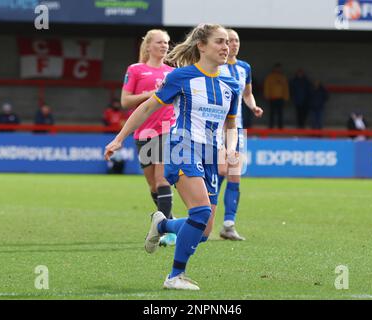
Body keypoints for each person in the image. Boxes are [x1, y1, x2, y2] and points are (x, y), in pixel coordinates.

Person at [105, 23, 240, 290]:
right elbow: (147, 108)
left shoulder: (231, 83)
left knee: (202, 231)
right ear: (201, 46)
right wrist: (119, 138)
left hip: (211, 155)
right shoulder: (182, 77)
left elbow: (231, 125)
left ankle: (163, 224)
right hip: (182, 148)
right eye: (219, 42)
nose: (226, 47)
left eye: (228, 42)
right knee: (200, 212)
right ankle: (174, 276)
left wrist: (230, 147)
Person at [120, 29, 176, 246]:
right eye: (160, 42)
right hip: (144, 132)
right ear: (149, 45)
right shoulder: (135, 70)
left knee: (163, 180)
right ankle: (169, 221)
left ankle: (167, 232)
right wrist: (151, 94)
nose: (164, 46)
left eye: (167, 43)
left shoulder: (172, 72)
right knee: (153, 185)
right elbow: (125, 101)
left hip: (166, 129)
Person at [216, 29, 263, 241]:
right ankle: (202, 218)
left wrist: (253, 107)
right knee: (217, 173)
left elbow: (247, 93)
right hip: (216, 129)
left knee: (234, 175)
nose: (233, 44)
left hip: (236, 129)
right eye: (229, 40)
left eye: (236, 40)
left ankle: (228, 224)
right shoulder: (215, 66)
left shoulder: (245, 67)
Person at [263, 63, 289, 129]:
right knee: (272, 113)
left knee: (280, 113)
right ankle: (271, 127)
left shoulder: (283, 77)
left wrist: (286, 97)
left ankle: (280, 127)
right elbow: (267, 87)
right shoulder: (270, 77)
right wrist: (267, 96)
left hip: (280, 98)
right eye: (277, 68)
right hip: (272, 98)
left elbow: (285, 88)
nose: (278, 69)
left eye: (279, 68)